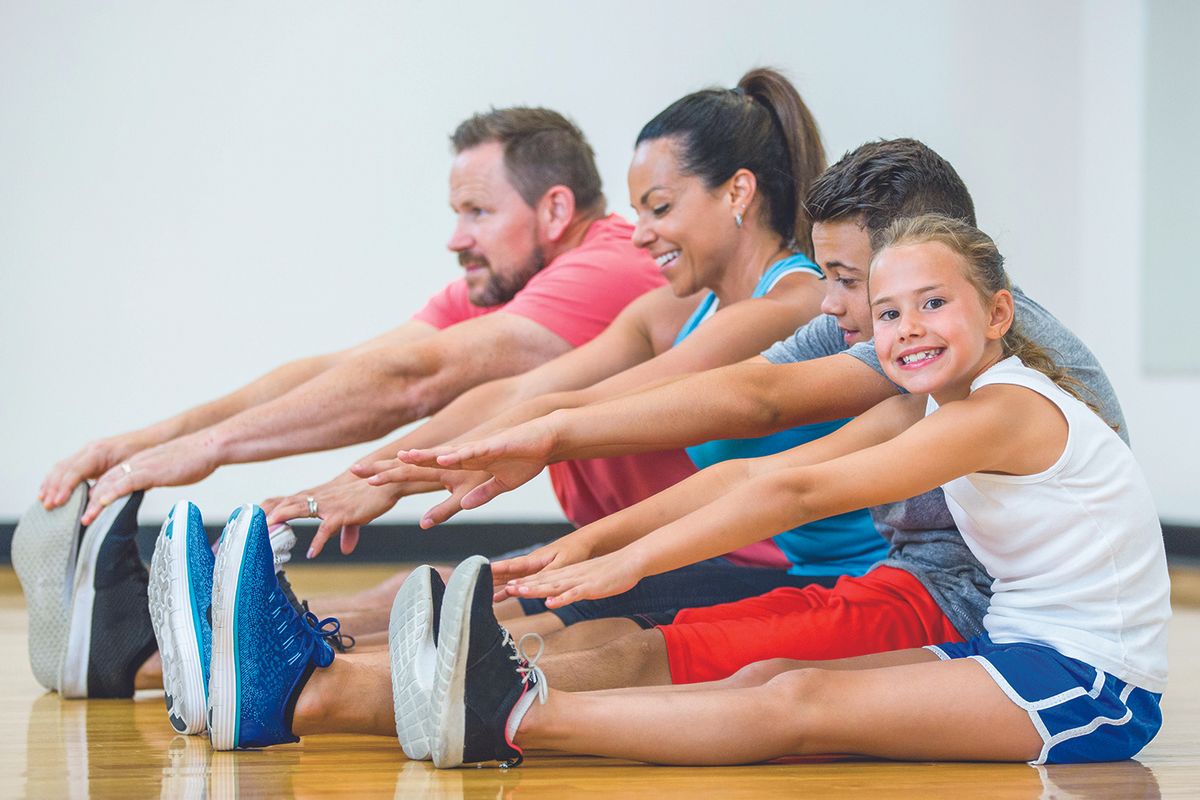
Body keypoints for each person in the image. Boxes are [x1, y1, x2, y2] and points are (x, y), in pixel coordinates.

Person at [410, 214, 1169, 767]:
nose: (909, 328)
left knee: (796, 704)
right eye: (889, 313)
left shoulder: (1006, 408)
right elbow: (751, 474)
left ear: (999, 312)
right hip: (1013, 646)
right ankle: (519, 699)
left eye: (935, 303)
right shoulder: (929, 406)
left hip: (1094, 683)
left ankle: (511, 715)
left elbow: (802, 492)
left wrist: (632, 565)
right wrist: (584, 545)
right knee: (769, 677)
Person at [368, 139, 1129, 688]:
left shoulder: (939, 349)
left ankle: (357, 686)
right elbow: (752, 456)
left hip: (954, 610)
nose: (833, 303)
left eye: (661, 207)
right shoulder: (898, 342)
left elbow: (759, 419)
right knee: (586, 624)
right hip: (903, 586)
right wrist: (558, 472)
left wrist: (593, 506)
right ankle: (339, 669)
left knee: (639, 651)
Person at [13, 106, 666, 697]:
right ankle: (141, 646)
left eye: (477, 212)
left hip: (701, 559)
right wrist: (150, 445)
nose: (456, 238)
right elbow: (353, 369)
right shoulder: (514, 282)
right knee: (414, 589)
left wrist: (214, 454)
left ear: (554, 210)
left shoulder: (610, 270)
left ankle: (137, 657)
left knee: (446, 605)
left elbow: (419, 379)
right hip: (625, 546)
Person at [260, 69, 884, 642]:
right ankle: (240, 652)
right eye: (638, 211)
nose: (640, 234)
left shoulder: (791, 306)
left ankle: (292, 671)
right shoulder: (680, 309)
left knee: (508, 618)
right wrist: (367, 479)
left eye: (660, 208)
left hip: (792, 573)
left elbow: (588, 406)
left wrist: (410, 476)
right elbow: (523, 394)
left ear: (737, 193)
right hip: (705, 550)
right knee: (438, 589)